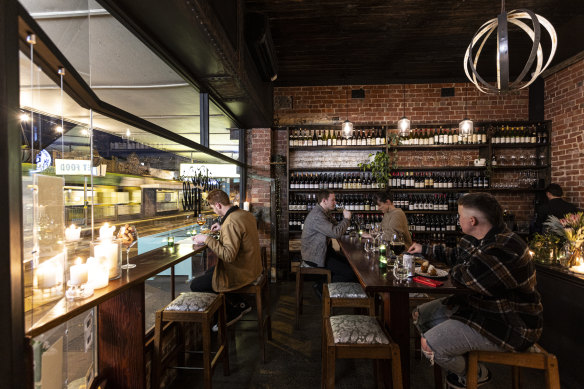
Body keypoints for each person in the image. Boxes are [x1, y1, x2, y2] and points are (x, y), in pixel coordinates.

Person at [407, 192, 543, 388]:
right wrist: (424, 249)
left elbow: (466, 277)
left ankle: (474, 373)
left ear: (472, 220)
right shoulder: (476, 238)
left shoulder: (505, 247)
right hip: (478, 308)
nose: (457, 220)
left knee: (430, 344)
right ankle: (457, 361)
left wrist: (457, 269)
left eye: (460, 216)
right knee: (421, 316)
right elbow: (455, 256)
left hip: (509, 323)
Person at [191, 189, 262, 327]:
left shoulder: (230, 222)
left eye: (212, 208)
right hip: (253, 267)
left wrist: (207, 239)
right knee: (210, 273)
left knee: (196, 284)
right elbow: (238, 229)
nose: (214, 211)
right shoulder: (244, 214)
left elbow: (228, 256)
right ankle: (242, 304)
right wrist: (223, 227)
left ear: (218, 205)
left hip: (242, 272)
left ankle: (231, 312)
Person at [301, 189, 356, 297]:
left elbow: (336, 227)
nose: (335, 202)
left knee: (351, 265)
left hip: (325, 252)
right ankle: (322, 287)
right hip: (315, 256)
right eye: (333, 200)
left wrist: (344, 222)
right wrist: (346, 219)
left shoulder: (325, 212)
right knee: (351, 273)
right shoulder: (318, 215)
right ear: (324, 201)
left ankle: (324, 284)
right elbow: (335, 233)